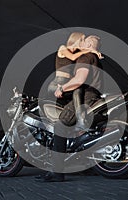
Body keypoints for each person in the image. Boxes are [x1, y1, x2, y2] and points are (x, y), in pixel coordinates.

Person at [38, 35, 103, 182]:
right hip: (94, 96)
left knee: (60, 126)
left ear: (89, 43)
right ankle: (83, 166)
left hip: (85, 97)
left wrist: (63, 87)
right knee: (77, 130)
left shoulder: (86, 57)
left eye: (84, 41)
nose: (81, 43)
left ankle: (57, 173)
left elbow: (79, 80)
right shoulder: (95, 58)